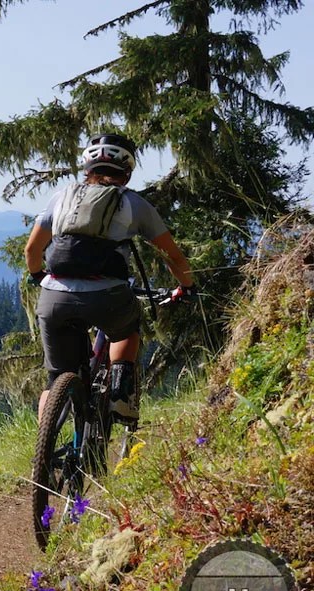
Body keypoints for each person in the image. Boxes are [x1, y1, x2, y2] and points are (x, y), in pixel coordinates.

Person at [23, 133, 196, 424]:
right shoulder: (134, 204)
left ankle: (43, 451)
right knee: (127, 331)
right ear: (127, 173)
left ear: (87, 170)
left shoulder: (61, 197)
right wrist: (186, 286)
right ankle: (120, 395)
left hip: (54, 296)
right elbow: (173, 257)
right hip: (108, 296)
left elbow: (32, 250)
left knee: (55, 379)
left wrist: (40, 276)